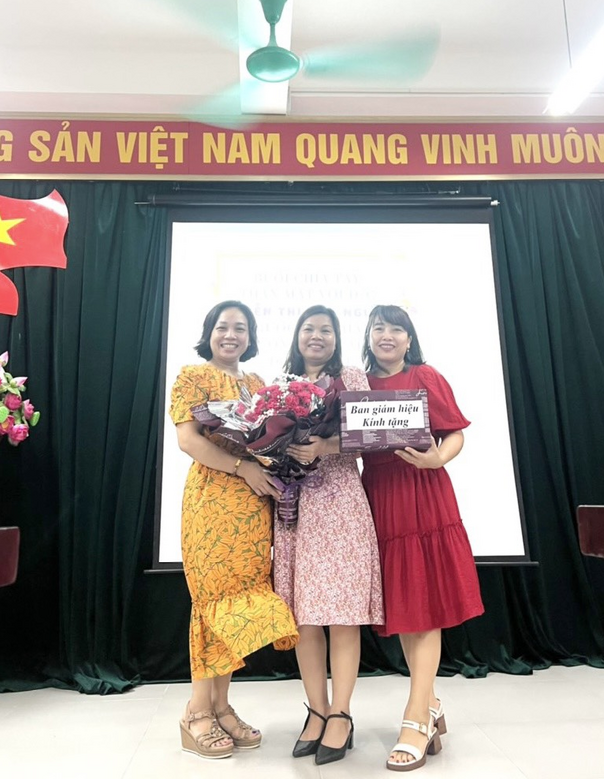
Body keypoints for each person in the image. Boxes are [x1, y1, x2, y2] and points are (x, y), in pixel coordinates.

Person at [169, 300, 298, 760]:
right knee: (212, 600)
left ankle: (222, 707)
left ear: (250, 336)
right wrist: (243, 468)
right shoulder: (192, 376)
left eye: (240, 328)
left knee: (238, 598)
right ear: (209, 332)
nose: (231, 334)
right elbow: (188, 440)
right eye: (223, 326)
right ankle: (196, 712)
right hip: (212, 499)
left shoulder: (258, 384)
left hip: (253, 505)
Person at [360, 305, 484, 772]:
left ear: (409, 339)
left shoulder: (425, 375)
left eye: (396, 329)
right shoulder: (358, 384)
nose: (387, 335)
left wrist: (437, 460)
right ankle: (429, 703)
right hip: (380, 494)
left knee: (424, 605)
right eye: (379, 328)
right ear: (368, 336)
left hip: (424, 491)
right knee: (407, 607)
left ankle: (416, 718)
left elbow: (453, 435)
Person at [273, 304, 383, 766]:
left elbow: (372, 434)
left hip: (340, 502)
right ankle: (315, 711)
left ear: (337, 339)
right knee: (305, 618)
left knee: (341, 614)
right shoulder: (278, 388)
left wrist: (325, 445)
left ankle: (341, 713)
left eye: (326, 330)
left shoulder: (352, 378)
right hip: (295, 510)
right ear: (297, 337)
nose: (317, 336)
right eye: (309, 329)